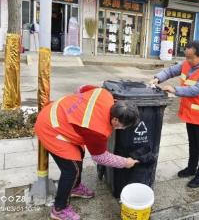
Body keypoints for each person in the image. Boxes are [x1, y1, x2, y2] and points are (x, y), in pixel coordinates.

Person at [35, 85, 140, 220]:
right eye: (123, 126)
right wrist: (125, 162)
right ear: (115, 120)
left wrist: (76, 110)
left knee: (79, 153)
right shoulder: (98, 131)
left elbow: (80, 89)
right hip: (50, 128)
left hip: (61, 116)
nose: (123, 129)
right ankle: (59, 209)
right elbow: (100, 157)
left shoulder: (105, 94)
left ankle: (75, 187)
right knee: (71, 170)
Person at [150, 40, 199, 188]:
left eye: (191, 57)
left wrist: (175, 90)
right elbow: (171, 70)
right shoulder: (188, 63)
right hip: (192, 113)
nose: (187, 61)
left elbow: (198, 89)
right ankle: (191, 168)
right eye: (186, 57)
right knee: (193, 143)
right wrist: (158, 77)